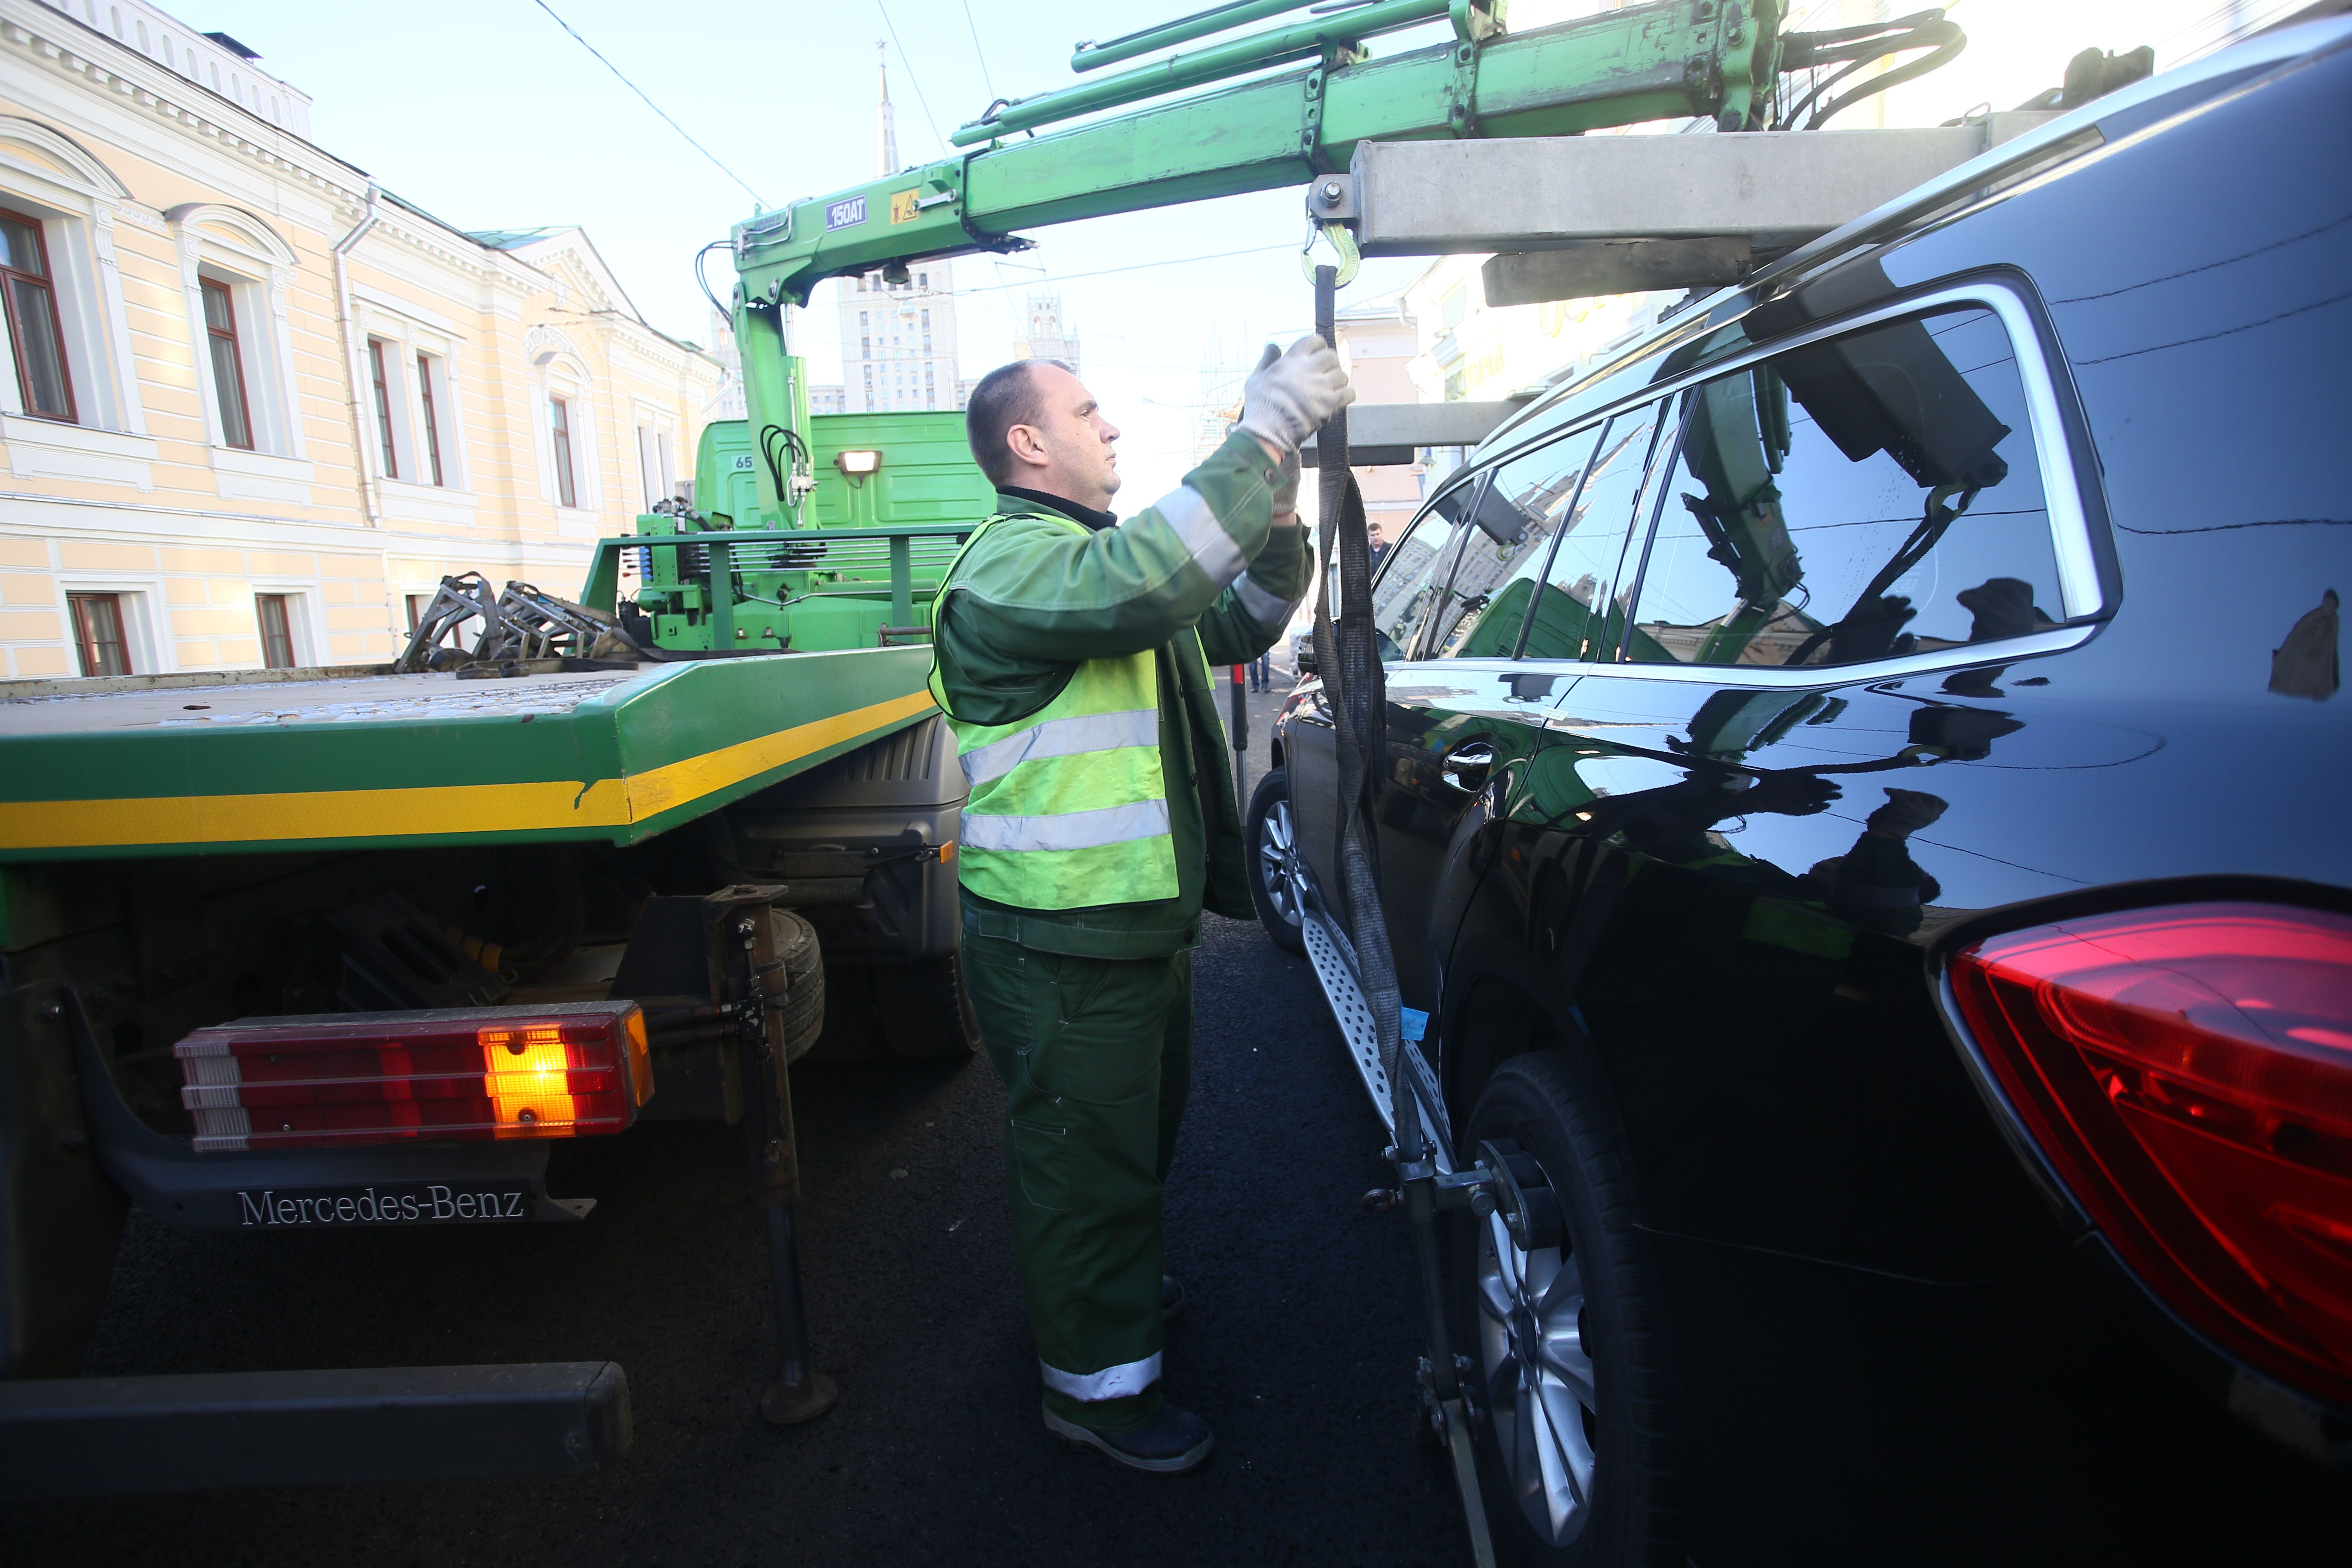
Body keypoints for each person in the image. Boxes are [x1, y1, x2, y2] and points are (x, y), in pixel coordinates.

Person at [928, 343, 1353, 1473]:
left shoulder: (1092, 569)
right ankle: (1096, 1399)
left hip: (1116, 927)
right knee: (1085, 1169)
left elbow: (1241, 614)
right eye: (1087, 411)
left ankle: (1100, 1302)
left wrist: (1281, 490)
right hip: (1059, 934)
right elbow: (1153, 585)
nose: (1110, 429)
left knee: (1122, 1153)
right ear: (1027, 442)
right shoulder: (1013, 566)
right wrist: (1260, 433)